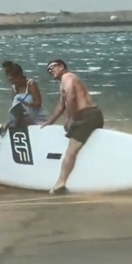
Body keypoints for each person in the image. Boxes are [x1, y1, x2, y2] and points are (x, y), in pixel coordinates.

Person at [40, 59, 104, 194]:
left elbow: (71, 97)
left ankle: (60, 183)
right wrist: (50, 122)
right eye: (48, 70)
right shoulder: (64, 82)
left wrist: (70, 118)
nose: (50, 71)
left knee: (71, 152)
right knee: (83, 149)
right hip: (92, 115)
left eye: (52, 67)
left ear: (62, 66)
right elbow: (61, 104)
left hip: (86, 117)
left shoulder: (67, 77)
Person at [0, 62, 48, 134]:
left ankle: (8, 126)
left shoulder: (31, 84)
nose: (12, 82)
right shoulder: (14, 87)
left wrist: (26, 104)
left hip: (36, 117)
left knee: (25, 99)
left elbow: (38, 103)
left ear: (20, 75)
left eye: (13, 79)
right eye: (10, 80)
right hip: (23, 118)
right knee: (15, 107)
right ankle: (7, 126)